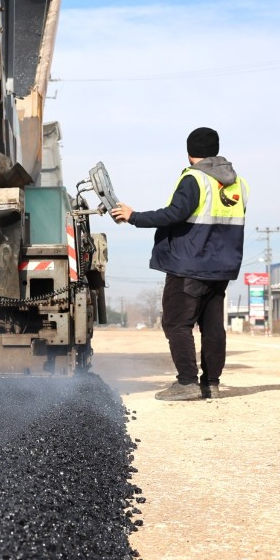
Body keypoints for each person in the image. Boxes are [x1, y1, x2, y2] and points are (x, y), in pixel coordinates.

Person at [110, 127, 248, 401]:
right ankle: (211, 384)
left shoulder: (195, 178)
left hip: (190, 264)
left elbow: (174, 214)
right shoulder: (238, 183)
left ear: (189, 153)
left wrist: (133, 216)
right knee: (212, 327)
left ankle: (187, 383)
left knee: (177, 323)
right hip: (222, 267)